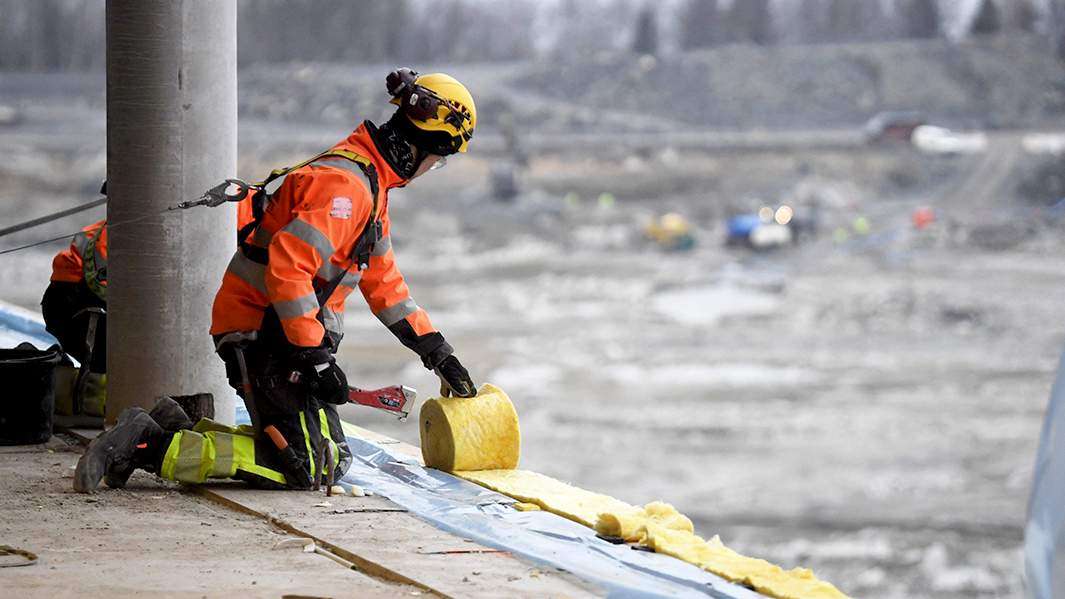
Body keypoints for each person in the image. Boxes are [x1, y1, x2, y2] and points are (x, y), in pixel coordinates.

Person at [74, 68, 479, 492]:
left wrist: (437, 352)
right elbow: (289, 270)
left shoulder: (370, 185)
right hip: (263, 336)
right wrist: (316, 357)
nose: (434, 167)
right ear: (424, 145)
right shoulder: (347, 189)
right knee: (308, 467)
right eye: (441, 158)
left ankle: (168, 425)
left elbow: (384, 284)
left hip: (283, 337)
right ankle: (146, 445)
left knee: (331, 454)